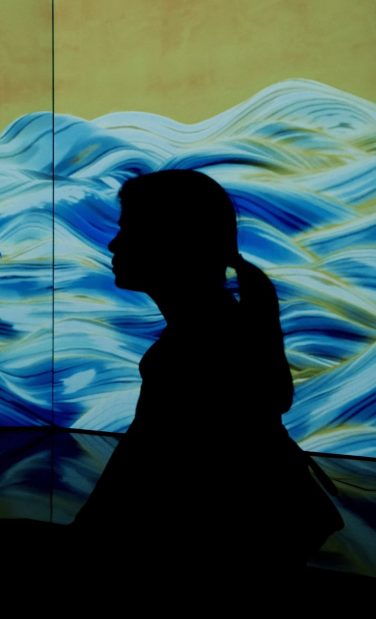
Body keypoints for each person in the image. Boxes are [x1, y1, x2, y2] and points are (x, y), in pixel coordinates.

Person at [72, 169, 343, 591]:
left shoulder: (190, 355)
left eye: (128, 230)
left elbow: (130, 486)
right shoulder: (222, 329)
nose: (113, 243)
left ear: (171, 241)